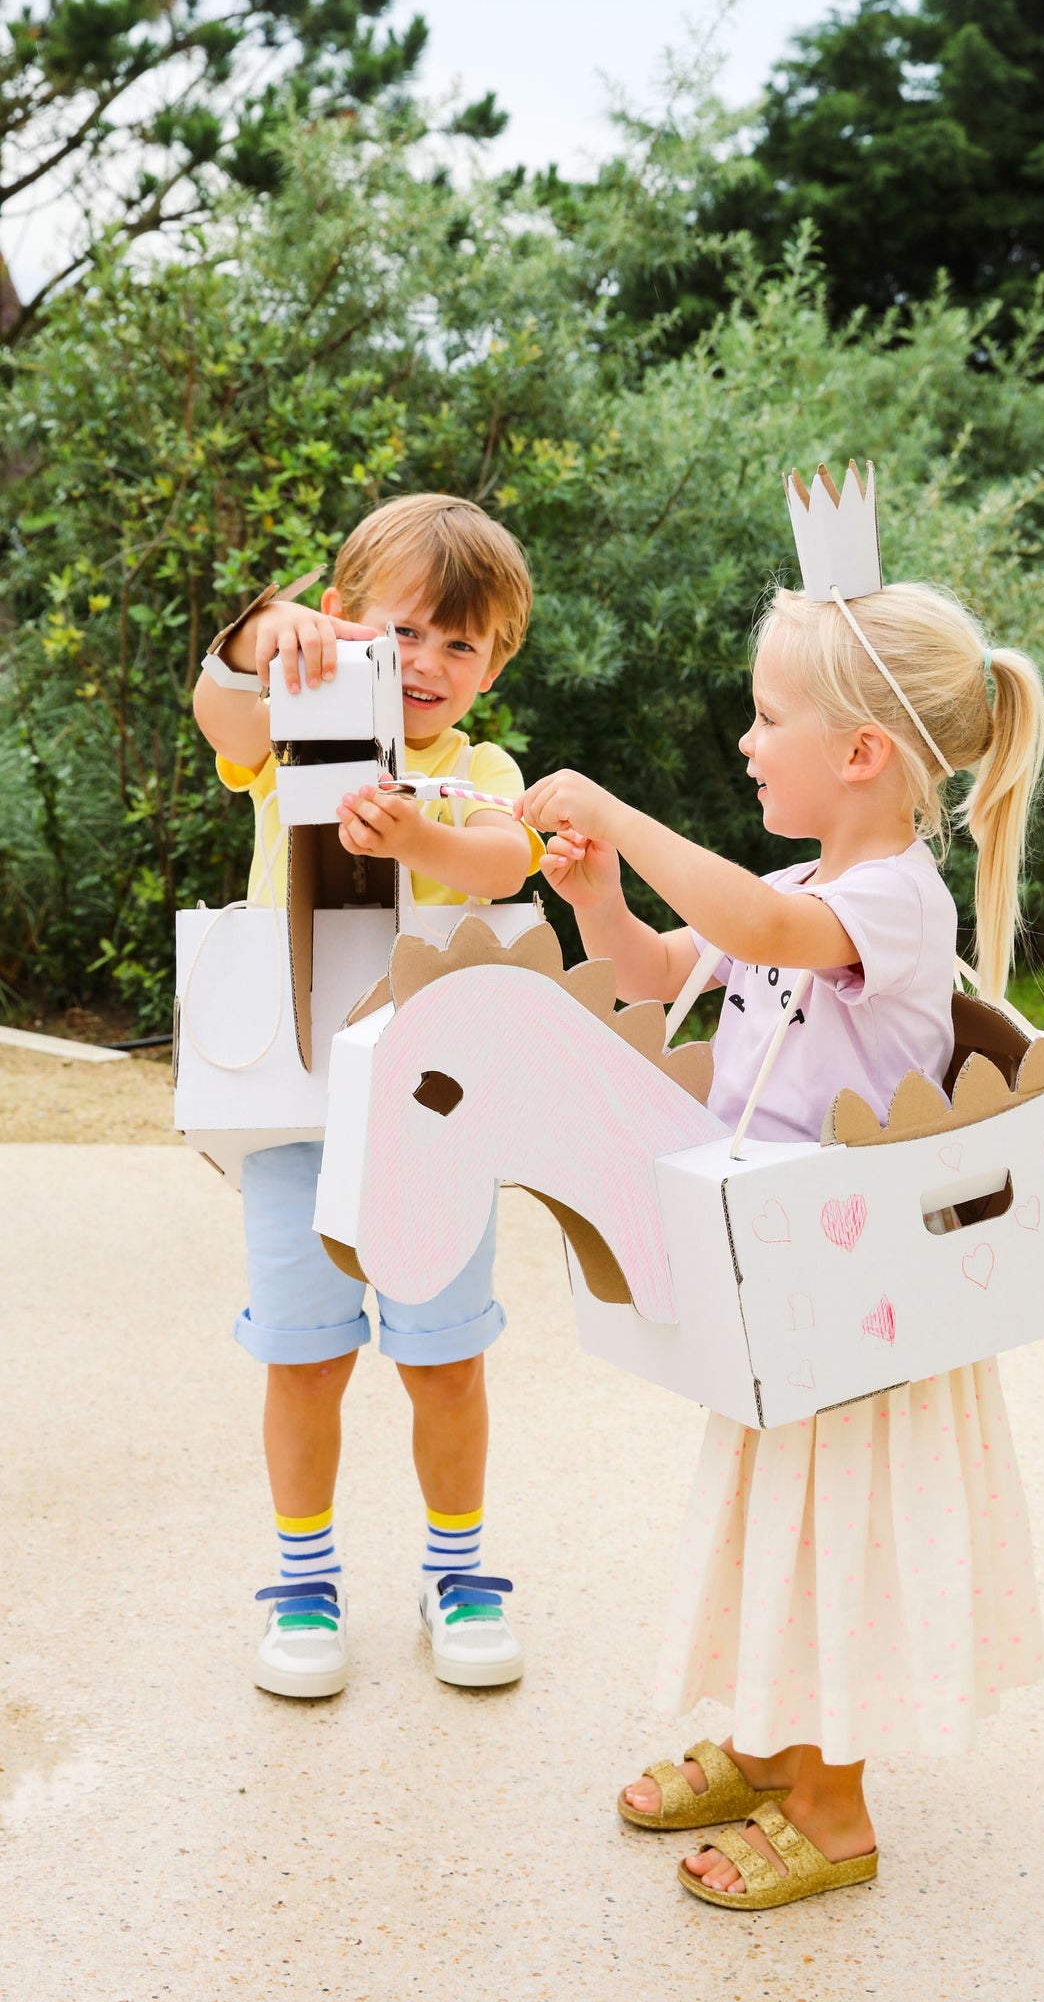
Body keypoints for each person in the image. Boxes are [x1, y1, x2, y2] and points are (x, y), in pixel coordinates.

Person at [523, 575, 1044, 1909]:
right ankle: (769, 1747)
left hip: (864, 1305)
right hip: (788, 1283)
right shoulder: (796, 881)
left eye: (767, 717)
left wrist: (618, 814)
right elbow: (655, 972)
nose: (746, 742)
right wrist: (597, 897)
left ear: (860, 752)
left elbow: (763, 938)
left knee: (837, 1539)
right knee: (781, 1526)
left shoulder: (892, 903)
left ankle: (832, 1808)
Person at [193, 493, 542, 1700]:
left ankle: (458, 1572)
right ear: (343, 620)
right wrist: (265, 635)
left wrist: (413, 836)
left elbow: (506, 856)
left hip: (435, 1116)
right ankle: (303, 1584)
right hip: (294, 1108)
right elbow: (216, 708)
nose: (428, 662)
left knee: (444, 1358)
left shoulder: (479, 771)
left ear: (493, 664)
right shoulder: (295, 721)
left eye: (462, 642)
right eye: (403, 632)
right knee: (303, 1357)